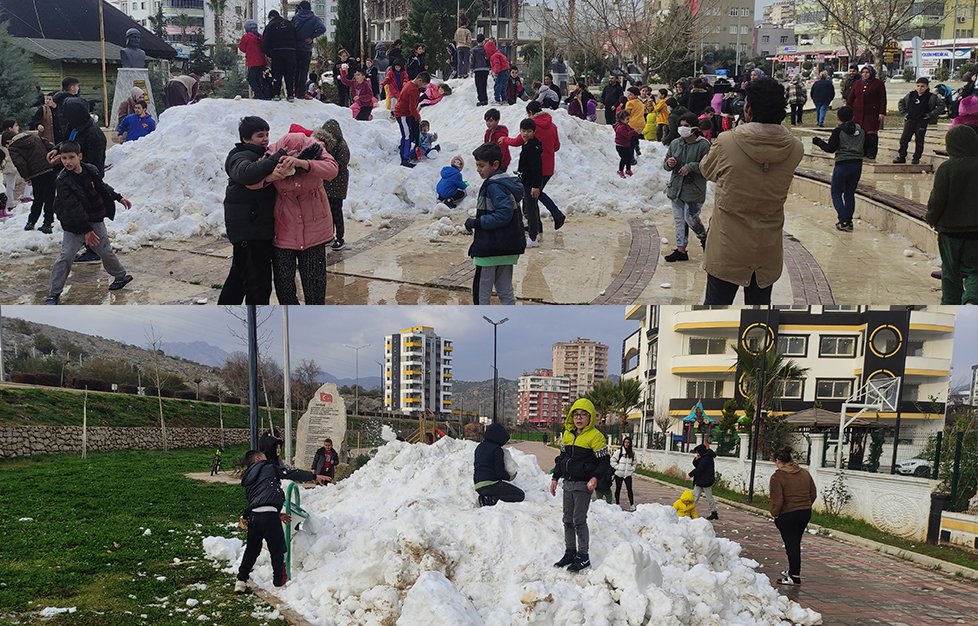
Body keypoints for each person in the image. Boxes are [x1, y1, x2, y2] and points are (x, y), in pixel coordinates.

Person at [699, 77, 803, 305]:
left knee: (714, 313)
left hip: (727, 246)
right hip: (767, 250)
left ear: (747, 109)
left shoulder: (727, 142)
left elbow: (707, 170)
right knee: (758, 321)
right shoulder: (795, 147)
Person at [43, 141, 134, 304]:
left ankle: (120, 276)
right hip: (74, 224)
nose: (68, 162)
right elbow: (73, 208)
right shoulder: (62, 180)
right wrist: (86, 231)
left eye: (71, 157)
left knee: (105, 250)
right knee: (66, 256)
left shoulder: (91, 170)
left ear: (80, 157)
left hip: (95, 219)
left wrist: (119, 197)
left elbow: (102, 186)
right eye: (64, 158)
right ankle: (54, 294)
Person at [234, 449, 326, 593]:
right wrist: (313, 476)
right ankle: (279, 584)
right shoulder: (267, 467)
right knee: (278, 550)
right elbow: (289, 473)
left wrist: (276, 513)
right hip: (269, 517)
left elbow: (259, 501)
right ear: (258, 458)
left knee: (252, 550)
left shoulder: (249, 478)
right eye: (264, 457)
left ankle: (240, 580)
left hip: (254, 517)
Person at [264, 128, 339, 304]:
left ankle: (315, 324)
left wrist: (304, 163)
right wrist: (271, 176)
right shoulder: (271, 154)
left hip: (315, 229)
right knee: (284, 285)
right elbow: (251, 179)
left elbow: (332, 170)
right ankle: (293, 323)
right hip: (284, 229)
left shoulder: (316, 150)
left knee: (315, 286)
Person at [218, 116, 284, 305]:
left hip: (255, 230)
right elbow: (247, 173)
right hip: (249, 232)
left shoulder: (260, 155)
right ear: (246, 139)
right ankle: (255, 327)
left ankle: (225, 320)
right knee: (258, 286)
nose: (265, 139)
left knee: (239, 280)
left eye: (267, 134)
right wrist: (277, 157)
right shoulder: (241, 157)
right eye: (260, 135)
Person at [550, 398, 610, 573]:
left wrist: (595, 477)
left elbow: (604, 462)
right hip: (567, 484)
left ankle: (583, 556)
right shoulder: (567, 435)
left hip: (584, 485)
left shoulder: (596, 437)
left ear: (590, 417)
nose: (579, 418)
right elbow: (561, 459)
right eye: (576, 414)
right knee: (567, 520)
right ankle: (570, 552)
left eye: (584, 415)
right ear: (571, 417)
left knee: (578, 520)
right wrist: (555, 477)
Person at [464, 142, 525, 304]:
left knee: (481, 293)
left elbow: (503, 215)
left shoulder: (494, 186)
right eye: (477, 165)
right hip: (507, 247)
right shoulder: (506, 183)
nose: (478, 169)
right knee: (505, 291)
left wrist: (477, 223)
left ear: (495, 164)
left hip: (490, 249)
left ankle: (482, 325)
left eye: (481, 165)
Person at [925, 125, 978, 304]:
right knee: (974, 271)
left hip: (949, 231)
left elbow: (937, 199)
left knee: (950, 272)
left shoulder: (947, 168)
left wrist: (931, 217)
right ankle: (971, 300)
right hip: (975, 233)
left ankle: (949, 306)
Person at [500, 100, 565, 231]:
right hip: (549, 166)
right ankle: (537, 225)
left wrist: (504, 140)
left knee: (532, 196)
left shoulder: (532, 125)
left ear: (530, 112)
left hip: (534, 166)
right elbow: (557, 147)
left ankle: (551, 218)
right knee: (535, 194)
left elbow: (519, 140)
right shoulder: (552, 125)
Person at [663, 112, 710, 261]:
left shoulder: (703, 145)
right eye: (680, 125)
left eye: (686, 126)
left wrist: (691, 166)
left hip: (694, 189)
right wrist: (669, 164)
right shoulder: (676, 143)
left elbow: (708, 167)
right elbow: (665, 164)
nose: (682, 128)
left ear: (694, 128)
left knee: (690, 218)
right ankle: (681, 250)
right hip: (676, 188)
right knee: (679, 219)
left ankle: (704, 238)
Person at [813, 106, 865, 232]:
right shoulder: (861, 130)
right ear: (852, 117)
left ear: (838, 118)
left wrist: (818, 142)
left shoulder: (838, 131)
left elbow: (831, 148)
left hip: (842, 164)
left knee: (836, 193)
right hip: (857, 164)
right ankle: (849, 221)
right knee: (849, 193)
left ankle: (843, 220)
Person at [769, 448, 817, 586]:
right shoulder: (804, 473)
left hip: (787, 514)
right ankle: (792, 570)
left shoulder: (777, 477)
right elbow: (813, 494)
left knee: (791, 544)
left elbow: (777, 500)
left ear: (779, 461)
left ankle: (795, 575)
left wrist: (775, 513)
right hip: (805, 512)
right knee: (796, 541)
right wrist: (805, 505)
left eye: (775, 462)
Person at [1, 123, 57, 233]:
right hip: (49, 169)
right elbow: (50, 146)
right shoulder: (34, 137)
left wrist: (27, 177)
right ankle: (48, 223)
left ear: (8, 141)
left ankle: (31, 221)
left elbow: (20, 163)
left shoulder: (13, 147)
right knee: (49, 198)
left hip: (35, 174)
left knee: (38, 198)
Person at [314, 120, 351, 251]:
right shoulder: (324, 146)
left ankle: (340, 238)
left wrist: (327, 167)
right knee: (326, 211)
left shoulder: (342, 147)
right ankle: (328, 236)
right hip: (326, 183)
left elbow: (341, 165)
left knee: (336, 212)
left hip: (337, 185)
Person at [473, 422, 525, 506]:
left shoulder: (479, 447)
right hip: (491, 485)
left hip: (478, 485)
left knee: (502, 490)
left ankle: (485, 497)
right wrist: (509, 477)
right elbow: (499, 472)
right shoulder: (497, 450)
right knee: (520, 495)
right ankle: (491, 499)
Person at [895, 77, 945, 165]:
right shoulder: (910, 95)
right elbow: (901, 103)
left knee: (919, 140)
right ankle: (901, 156)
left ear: (926, 87)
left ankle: (916, 158)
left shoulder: (931, 97)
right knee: (904, 139)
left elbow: (941, 105)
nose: (920, 88)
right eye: (918, 86)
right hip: (910, 120)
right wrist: (905, 113)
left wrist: (930, 114)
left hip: (921, 121)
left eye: (922, 86)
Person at [845, 65, 886, 159]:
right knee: (859, 132)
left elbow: (882, 99)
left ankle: (871, 153)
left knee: (871, 133)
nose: (865, 74)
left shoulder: (878, 84)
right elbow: (851, 97)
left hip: (872, 113)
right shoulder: (857, 83)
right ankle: (861, 151)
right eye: (863, 72)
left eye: (867, 72)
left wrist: (881, 112)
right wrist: (848, 109)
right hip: (858, 113)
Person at [516, 118, 543, 248]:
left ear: (534, 132)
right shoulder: (527, 145)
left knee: (530, 209)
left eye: (529, 131)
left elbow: (537, 168)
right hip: (526, 182)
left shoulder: (532, 147)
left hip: (530, 184)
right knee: (529, 207)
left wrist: (535, 186)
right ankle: (535, 233)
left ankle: (533, 237)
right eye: (523, 131)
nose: (525, 134)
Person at [394, 72, 430, 168]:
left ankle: (405, 151)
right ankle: (404, 159)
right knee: (406, 136)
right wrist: (417, 116)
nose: (424, 87)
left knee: (408, 134)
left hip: (406, 113)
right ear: (419, 80)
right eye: (424, 84)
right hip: (402, 114)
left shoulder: (411, 84)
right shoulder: (412, 90)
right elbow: (412, 108)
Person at [262, 10, 298, 101]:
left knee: (277, 74)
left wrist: (268, 53)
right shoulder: (290, 24)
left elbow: (265, 41)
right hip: (291, 52)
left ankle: (276, 94)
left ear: (270, 17)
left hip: (277, 52)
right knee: (289, 74)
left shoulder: (270, 26)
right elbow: (296, 37)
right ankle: (290, 95)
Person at [291, 1, 326, 94]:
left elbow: (291, 29)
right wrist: (312, 36)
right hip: (306, 48)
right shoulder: (314, 19)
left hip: (295, 47)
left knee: (295, 70)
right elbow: (322, 28)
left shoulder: (296, 17)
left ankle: (294, 90)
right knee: (303, 70)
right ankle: (301, 92)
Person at [239, 19, 268, 99]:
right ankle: (262, 93)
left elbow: (242, 48)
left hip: (253, 62)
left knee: (250, 78)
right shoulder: (260, 36)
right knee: (259, 78)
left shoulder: (246, 37)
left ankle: (259, 94)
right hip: (262, 61)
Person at [689, 443, 718, 520]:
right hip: (700, 480)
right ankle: (690, 512)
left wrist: (690, 475)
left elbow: (699, 468)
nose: (697, 454)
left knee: (709, 498)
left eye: (698, 452)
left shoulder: (707, 458)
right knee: (694, 497)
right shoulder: (703, 457)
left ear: (701, 451)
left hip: (706, 481)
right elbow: (696, 465)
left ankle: (714, 512)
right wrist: (696, 459)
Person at [613, 109, 639, 178]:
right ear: (621, 119)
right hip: (620, 146)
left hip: (626, 145)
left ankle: (628, 170)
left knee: (629, 158)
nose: (628, 121)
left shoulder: (626, 125)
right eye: (627, 119)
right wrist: (633, 132)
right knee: (624, 158)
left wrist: (635, 131)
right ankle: (620, 170)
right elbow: (627, 135)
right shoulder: (620, 127)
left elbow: (631, 130)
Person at [613, 436, 636, 511]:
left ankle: (632, 505)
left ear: (630, 444)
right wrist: (617, 467)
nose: (626, 444)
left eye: (628, 442)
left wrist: (632, 469)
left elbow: (634, 463)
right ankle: (617, 504)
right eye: (625, 442)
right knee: (618, 489)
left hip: (628, 475)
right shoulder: (619, 452)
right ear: (623, 443)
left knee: (629, 489)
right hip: (619, 474)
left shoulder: (632, 453)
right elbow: (612, 460)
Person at [485, 39, 510, 104]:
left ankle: (497, 99)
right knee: (503, 86)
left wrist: (495, 72)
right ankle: (504, 98)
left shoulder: (494, 56)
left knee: (498, 86)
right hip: (506, 71)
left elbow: (497, 64)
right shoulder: (498, 53)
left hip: (501, 72)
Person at [624, 87, 645, 161]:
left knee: (630, 141)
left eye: (630, 94)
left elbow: (627, 114)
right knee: (635, 136)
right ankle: (637, 147)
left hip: (632, 124)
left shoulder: (629, 103)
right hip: (641, 123)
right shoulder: (640, 102)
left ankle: (631, 158)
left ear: (635, 95)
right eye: (628, 94)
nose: (628, 96)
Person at [471, 34, 491, 106]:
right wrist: (489, 66)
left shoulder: (474, 50)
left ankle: (481, 99)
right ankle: (485, 99)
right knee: (484, 84)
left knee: (479, 85)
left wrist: (471, 68)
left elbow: (472, 60)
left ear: (477, 41)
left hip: (477, 69)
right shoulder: (486, 50)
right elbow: (489, 59)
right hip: (485, 69)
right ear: (484, 41)